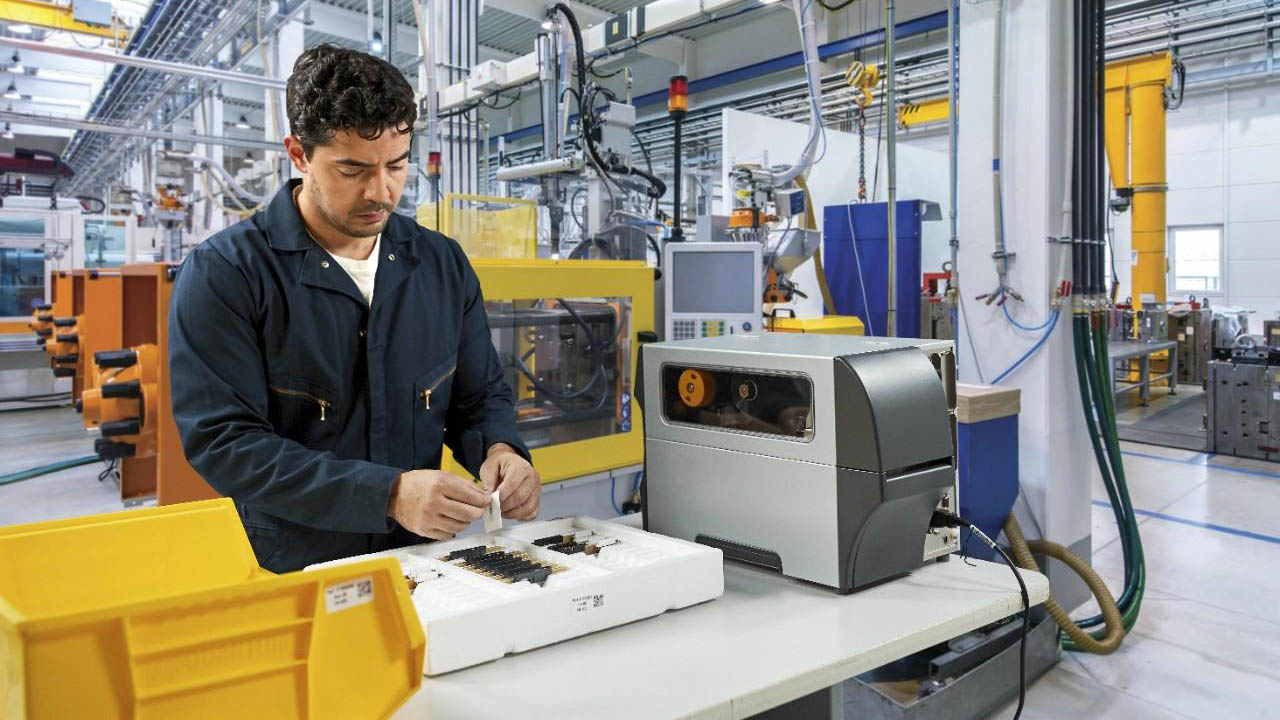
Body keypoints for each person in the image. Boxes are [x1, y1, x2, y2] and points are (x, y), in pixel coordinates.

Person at [169, 44, 540, 573]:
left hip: (421, 563)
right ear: (298, 154)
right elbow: (225, 444)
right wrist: (386, 494)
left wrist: (502, 451)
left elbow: (479, 395)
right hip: (292, 566)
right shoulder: (227, 274)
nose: (380, 191)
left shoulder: (441, 265)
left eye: (397, 165)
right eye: (352, 169)